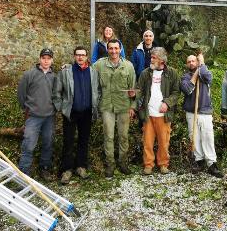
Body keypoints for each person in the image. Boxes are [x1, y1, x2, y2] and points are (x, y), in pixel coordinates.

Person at [53, 46, 100, 184]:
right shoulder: (65, 72)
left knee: (83, 141)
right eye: (78, 55)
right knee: (68, 141)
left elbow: (97, 90)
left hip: (87, 113)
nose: (80, 57)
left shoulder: (93, 72)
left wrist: (95, 105)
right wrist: (61, 108)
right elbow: (56, 93)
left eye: (83, 55)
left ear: (87, 57)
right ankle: (66, 170)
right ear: (74, 56)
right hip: (71, 113)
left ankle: (81, 166)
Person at [94, 39, 136, 178]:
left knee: (123, 136)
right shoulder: (100, 65)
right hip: (107, 105)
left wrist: (133, 106)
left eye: (116, 48)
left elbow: (133, 88)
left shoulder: (128, 66)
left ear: (120, 49)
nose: (113, 51)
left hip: (124, 106)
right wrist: (68, 67)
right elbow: (86, 69)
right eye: (111, 48)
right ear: (107, 49)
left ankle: (123, 163)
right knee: (109, 137)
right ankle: (110, 165)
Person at [136, 47, 180, 175]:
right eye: (151, 57)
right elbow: (140, 91)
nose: (151, 60)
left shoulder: (172, 73)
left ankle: (163, 164)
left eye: (154, 58)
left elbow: (176, 92)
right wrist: (135, 95)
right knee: (147, 142)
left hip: (164, 115)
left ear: (162, 60)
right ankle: (148, 165)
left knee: (164, 142)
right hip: (148, 114)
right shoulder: (145, 73)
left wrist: (167, 103)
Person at [180, 53, 223, 178]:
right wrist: (195, 74)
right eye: (189, 61)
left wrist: (202, 64)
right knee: (194, 137)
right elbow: (187, 89)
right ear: (187, 64)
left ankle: (211, 162)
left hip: (204, 111)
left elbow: (209, 78)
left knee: (208, 137)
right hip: (191, 112)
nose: (191, 63)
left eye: (194, 61)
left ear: (198, 62)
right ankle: (198, 160)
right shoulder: (185, 77)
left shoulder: (204, 73)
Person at [17, 48, 56, 181]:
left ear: (52, 60)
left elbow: (56, 95)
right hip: (33, 116)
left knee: (48, 143)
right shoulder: (29, 74)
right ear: (39, 59)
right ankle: (24, 174)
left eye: (48, 58)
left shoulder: (54, 76)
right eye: (43, 58)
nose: (46, 60)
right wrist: (27, 108)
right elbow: (21, 94)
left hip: (49, 117)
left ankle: (44, 169)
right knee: (28, 144)